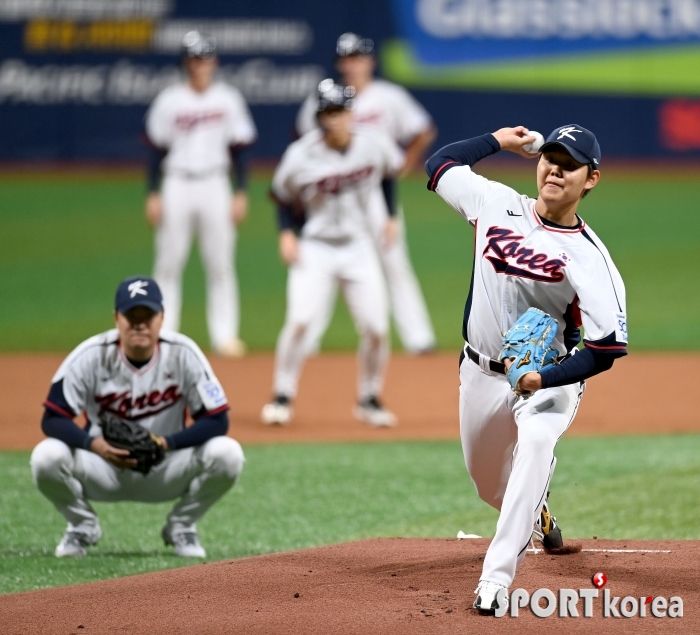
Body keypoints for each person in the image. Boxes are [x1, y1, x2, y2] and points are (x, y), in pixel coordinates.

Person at [425, 125, 628, 613]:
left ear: (590, 179)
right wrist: (498, 139)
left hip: (550, 375)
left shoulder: (591, 259)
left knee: (536, 443)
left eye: (569, 163)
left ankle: (494, 581)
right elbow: (439, 164)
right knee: (487, 484)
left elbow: (603, 351)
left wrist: (544, 379)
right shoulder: (495, 203)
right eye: (550, 157)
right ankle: (537, 510)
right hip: (479, 370)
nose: (555, 168)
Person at [30, 276, 245, 558]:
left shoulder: (183, 353)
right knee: (46, 457)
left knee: (228, 454)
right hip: (104, 468)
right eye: (132, 315)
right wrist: (94, 445)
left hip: (164, 468)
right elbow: (52, 418)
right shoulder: (91, 355)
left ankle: (182, 526)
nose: (140, 324)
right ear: (117, 318)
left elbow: (218, 419)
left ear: (162, 317)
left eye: (148, 315)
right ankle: (82, 526)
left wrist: (166, 443)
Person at [260, 80, 404, 427]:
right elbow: (281, 194)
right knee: (300, 322)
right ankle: (282, 393)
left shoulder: (373, 146)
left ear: (351, 113)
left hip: (359, 247)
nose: (333, 119)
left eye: (339, 111)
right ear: (319, 116)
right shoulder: (301, 154)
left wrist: (388, 214)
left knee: (377, 329)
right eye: (327, 112)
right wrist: (285, 234)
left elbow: (388, 175)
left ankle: (369, 398)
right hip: (316, 248)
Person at [296, 32, 437, 355]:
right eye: (346, 58)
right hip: (333, 198)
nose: (352, 64)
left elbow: (423, 129)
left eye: (358, 57)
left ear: (370, 61)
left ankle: (419, 338)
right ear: (338, 63)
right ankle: (307, 341)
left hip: (375, 193)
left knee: (394, 264)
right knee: (325, 266)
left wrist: (405, 162)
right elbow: (304, 145)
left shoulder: (388, 96)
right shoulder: (322, 98)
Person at [144, 31, 257, 357]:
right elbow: (155, 150)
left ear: (214, 61)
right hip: (177, 181)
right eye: (194, 59)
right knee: (168, 262)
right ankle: (164, 334)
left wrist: (241, 192)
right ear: (186, 63)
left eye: (204, 58)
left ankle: (225, 336)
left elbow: (240, 149)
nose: (200, 65)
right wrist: (152, 192)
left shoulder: (228, 98)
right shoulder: (169, 100)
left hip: (216, 182)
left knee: (220, 263)